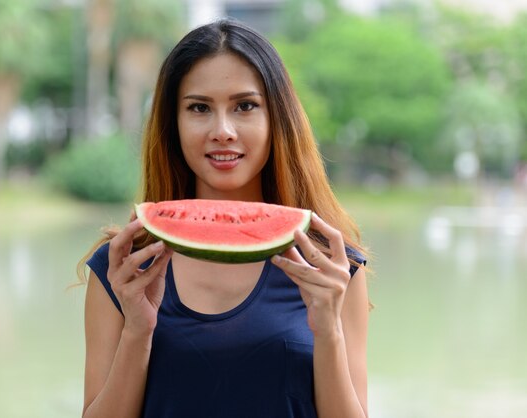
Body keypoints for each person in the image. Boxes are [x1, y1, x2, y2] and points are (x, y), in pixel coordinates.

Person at [79, 18, 369, 418]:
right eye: (199, 108)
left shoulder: (333, 268)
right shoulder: (124, 267)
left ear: (277, 119)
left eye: (245, 106)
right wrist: (137, 331)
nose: (223, 130)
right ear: (173, 123)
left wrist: (329, 331)